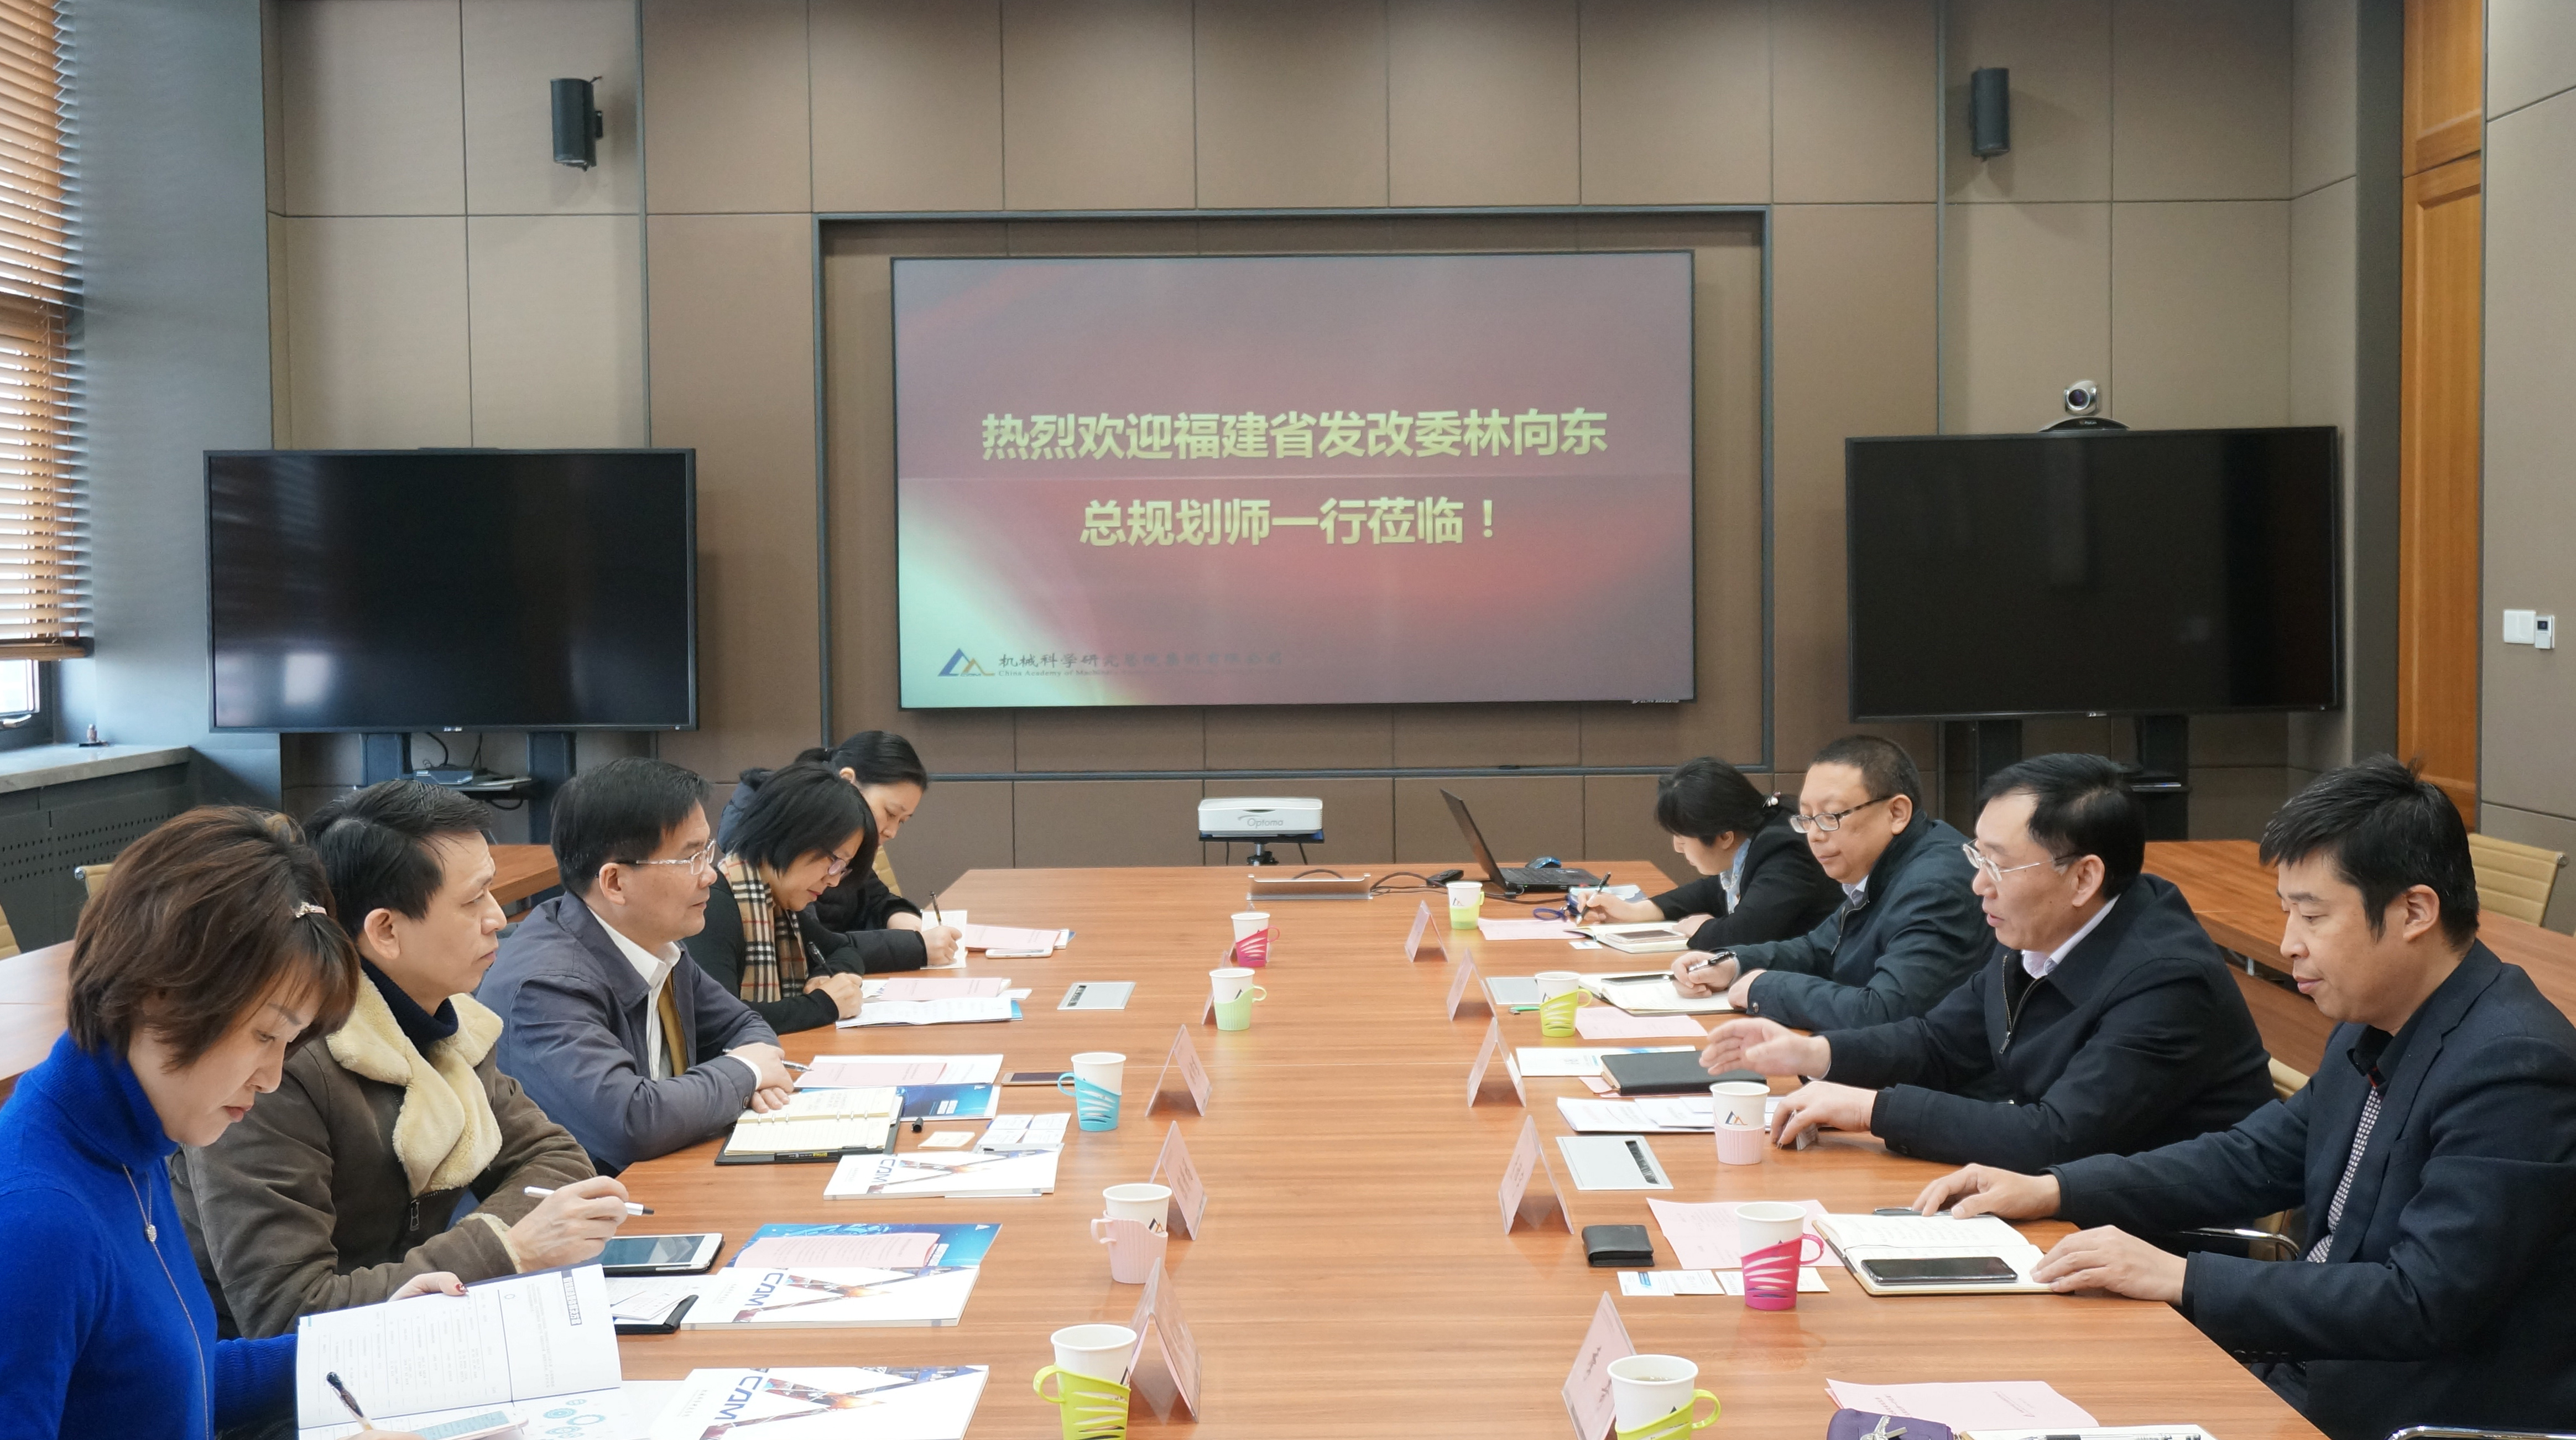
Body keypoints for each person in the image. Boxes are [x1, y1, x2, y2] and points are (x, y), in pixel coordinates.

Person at [1912, 758, 2576, 1440]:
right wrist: (2054, 1189)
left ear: (2413, 912)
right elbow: (2252, 1157)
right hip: (2296, 1366)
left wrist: (2181, 1277)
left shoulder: (2514, 1069)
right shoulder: (2375, 1019)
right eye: (2286, 913)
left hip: (2386, 1412)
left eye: (2311, 916)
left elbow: (2418, 1299)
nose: (2288, 945)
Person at [0, 808, 440, 1440]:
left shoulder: (131, 1138)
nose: (272, 1077)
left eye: (289, 1045)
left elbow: (169, 1381)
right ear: (162, 992)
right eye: (265, 1035)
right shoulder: (35, 1220)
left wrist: (367, 1341)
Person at [172, 781, 634, 1344]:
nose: (497, 918)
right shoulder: (279, 1063)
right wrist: (506, 1251)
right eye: (473, 900)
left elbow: (556, 1160)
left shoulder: (445, 1022)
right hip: (274, 1381)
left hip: (417, 1341)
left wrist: (484, 1254)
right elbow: (285, 1315)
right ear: (386, 931)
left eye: (491, 893)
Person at [1703, 753, 2275, 1167]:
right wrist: (1813, 1053)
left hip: (2146, 1240)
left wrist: (1872, 1111)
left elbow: (2056, 1135)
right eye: (1976, 856)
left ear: (2083, 878)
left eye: (1997, 865)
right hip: (2052, 1201)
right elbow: (1938, 1042)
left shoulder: (2165, 979)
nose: (1978, 884)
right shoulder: (2038, 931)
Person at [477, 758, 795, 1174]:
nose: (710, 875)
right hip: (576, 1204)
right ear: (614, 882)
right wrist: (747, 1074)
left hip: (657, 1179)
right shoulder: (547, 986)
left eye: (707, 852)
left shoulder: (654, 943)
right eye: (690, 859)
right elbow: (632, 1123)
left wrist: (748, 1075)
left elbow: (744, 1025)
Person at [1668, 735, 1984, 1030]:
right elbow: (1819, 949)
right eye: (1807, 818)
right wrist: (1732, 964)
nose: (1815, 836)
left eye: (1831, 816)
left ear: (1897, 813)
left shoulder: (1935, 887)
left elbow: (1885, 1012)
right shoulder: (1883, 865)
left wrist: (1766, 987)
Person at [721, 732, 959, 969]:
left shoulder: (840, 843)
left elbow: (875, 899)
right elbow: (813, 946)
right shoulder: (788, 838)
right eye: (890, 813)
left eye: (902, 821)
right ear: (847, 781)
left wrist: (904, 922)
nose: (892, 832)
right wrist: (913, 947)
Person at [1578, 756, 1843, 951]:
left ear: (1725, 837)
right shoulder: (1756, 834)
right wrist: (1633, 911)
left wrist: (1701, 930)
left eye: (1682, 839)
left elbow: (1744, 935)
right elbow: (1712, 890)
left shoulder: (1786, 854)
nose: (1677, 847)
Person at [689, 760, 876, 1034]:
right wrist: (824, 1005)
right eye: (835, 862)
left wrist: (823, 977)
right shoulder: (714, 907)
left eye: (843, 868)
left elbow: (843, 950)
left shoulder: (778, 905)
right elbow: (716, 1020)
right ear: (791, 834)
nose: (834, 880)